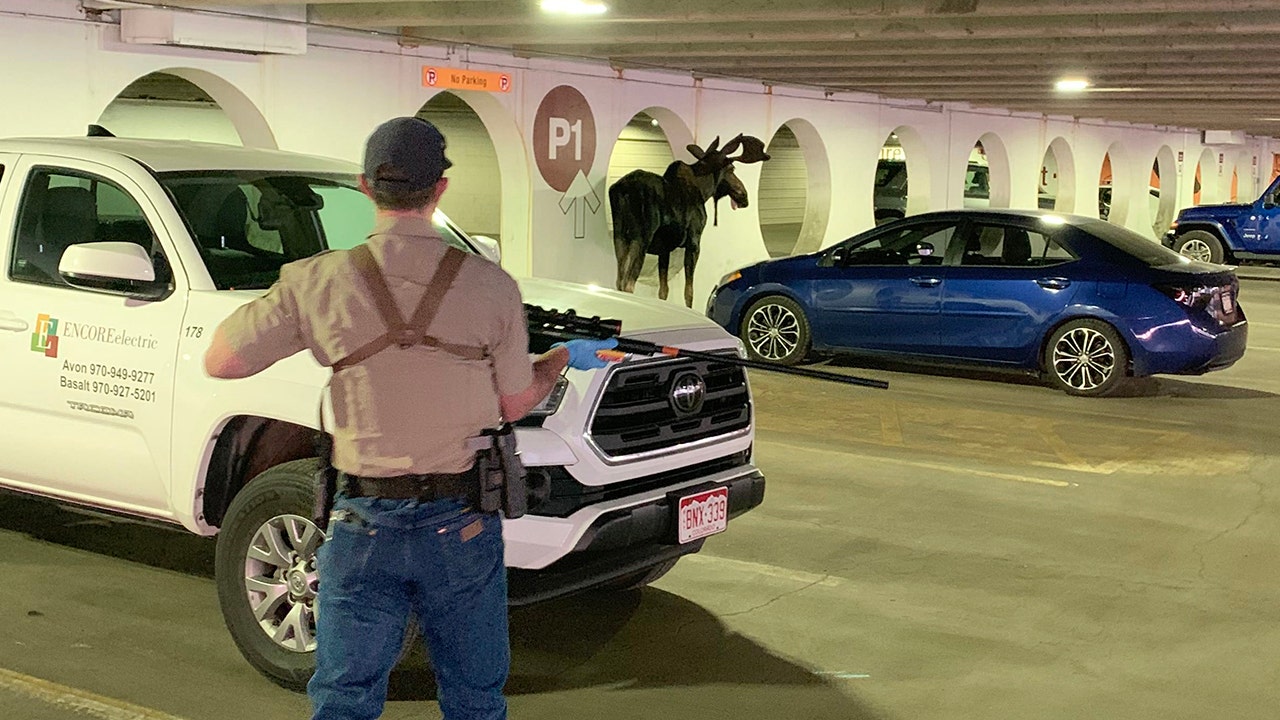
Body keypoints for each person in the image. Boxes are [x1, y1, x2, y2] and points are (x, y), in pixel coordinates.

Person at [203, 116, 618, 720]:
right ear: (440, 189)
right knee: (474, 699)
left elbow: (222, 359)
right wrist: (558, 360)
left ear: (366, 188)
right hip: (463, 525)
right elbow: (514, 403)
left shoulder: (316, 280)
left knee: (344, 699)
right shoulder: (490, 285)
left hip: (360, 520)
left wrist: (306, 304)